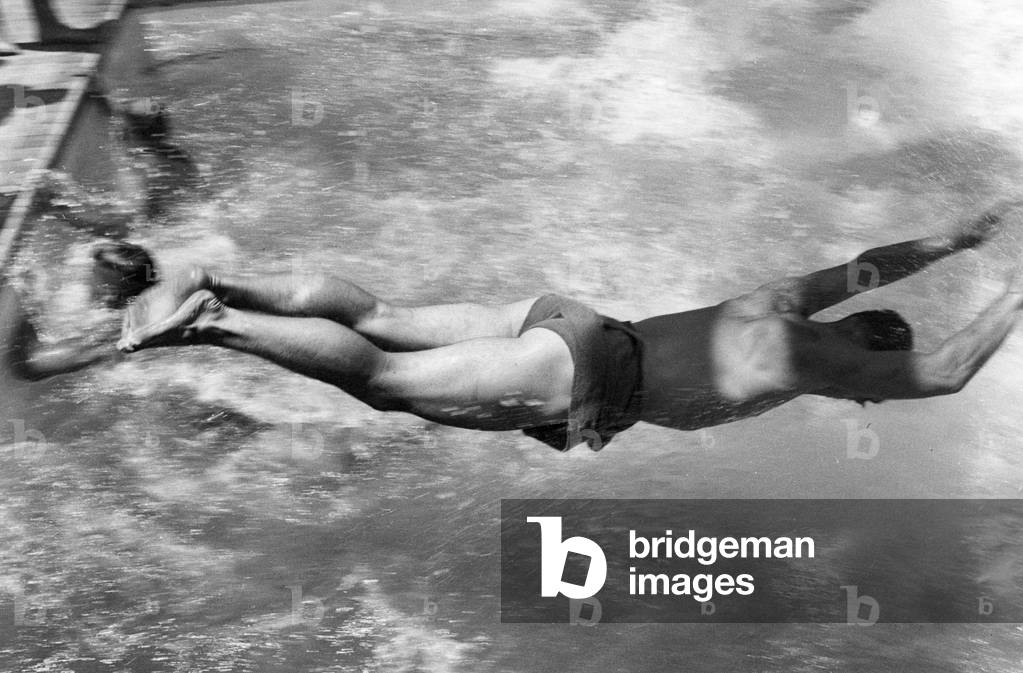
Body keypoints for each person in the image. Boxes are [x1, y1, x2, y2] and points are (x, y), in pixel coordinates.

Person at [117, 202, 1023, 451]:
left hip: (574, 324)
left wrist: (958, 237)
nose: (867, 398)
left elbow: (876, 256)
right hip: (583, 375)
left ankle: (208, 277)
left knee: (381, 317)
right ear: (869, 357)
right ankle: (213, 320)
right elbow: (946, 371)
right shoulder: (818, 360)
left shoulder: (792, 307)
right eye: (874, 387)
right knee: (385, 384)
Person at [6, 242, 155, 380]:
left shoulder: (115, 335)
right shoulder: (123, 308)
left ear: (109, 293)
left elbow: (29, 363)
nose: (86, 277)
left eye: (93, 274)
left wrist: (27, 296)